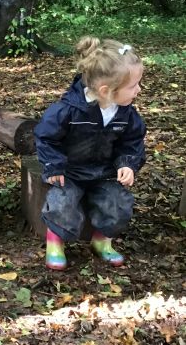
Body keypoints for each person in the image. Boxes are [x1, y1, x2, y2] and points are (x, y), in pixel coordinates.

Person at [34, 36, 146, 270]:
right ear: (106, 90)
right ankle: (55, 243)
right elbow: (45, 136)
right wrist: (54, 165)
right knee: (61, 203)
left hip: (105, 172)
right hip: (70, 171)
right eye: (133, 86)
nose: (139, 90)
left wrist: (127, 163)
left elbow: (132, 141)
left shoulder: (126, 114)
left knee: (117, 203)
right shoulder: (68, 111)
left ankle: (102, 241)